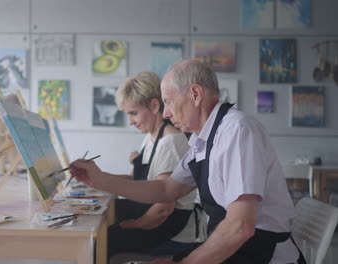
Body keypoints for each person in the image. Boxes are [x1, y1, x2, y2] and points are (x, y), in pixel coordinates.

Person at [70, 60, 304, 264]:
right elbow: (166, 189)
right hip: (233, 248)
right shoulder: (202, 140)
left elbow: (240, 226)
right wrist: (101, 180)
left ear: (195, 94)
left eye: (169, 102)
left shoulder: (236, 131)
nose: (165, 114)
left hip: (260, 255)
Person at [106, 71, 203, 259]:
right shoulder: (150, 138)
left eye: (133, 113)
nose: (130, 121)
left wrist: (131, 224)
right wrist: (96, 180)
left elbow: (163, 209)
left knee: (106, 240)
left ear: (154, 105)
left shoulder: (170, 141)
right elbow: (137, 180)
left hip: (174, 231)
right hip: (157, 218)